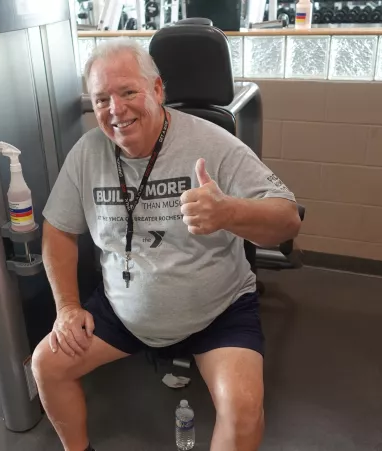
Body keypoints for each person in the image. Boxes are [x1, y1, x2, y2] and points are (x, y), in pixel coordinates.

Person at [32, 38, 301, 451]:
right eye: (101, 98)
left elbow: (287, 220)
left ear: (158, 90)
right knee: (47, 365)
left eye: (127, 92)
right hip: (123, 310)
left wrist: (229, 213)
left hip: (218, 310)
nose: (116, 110)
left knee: (244, 408)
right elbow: (58, 229)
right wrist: (67, 307)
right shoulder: (87, 153)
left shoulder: (211, 143)